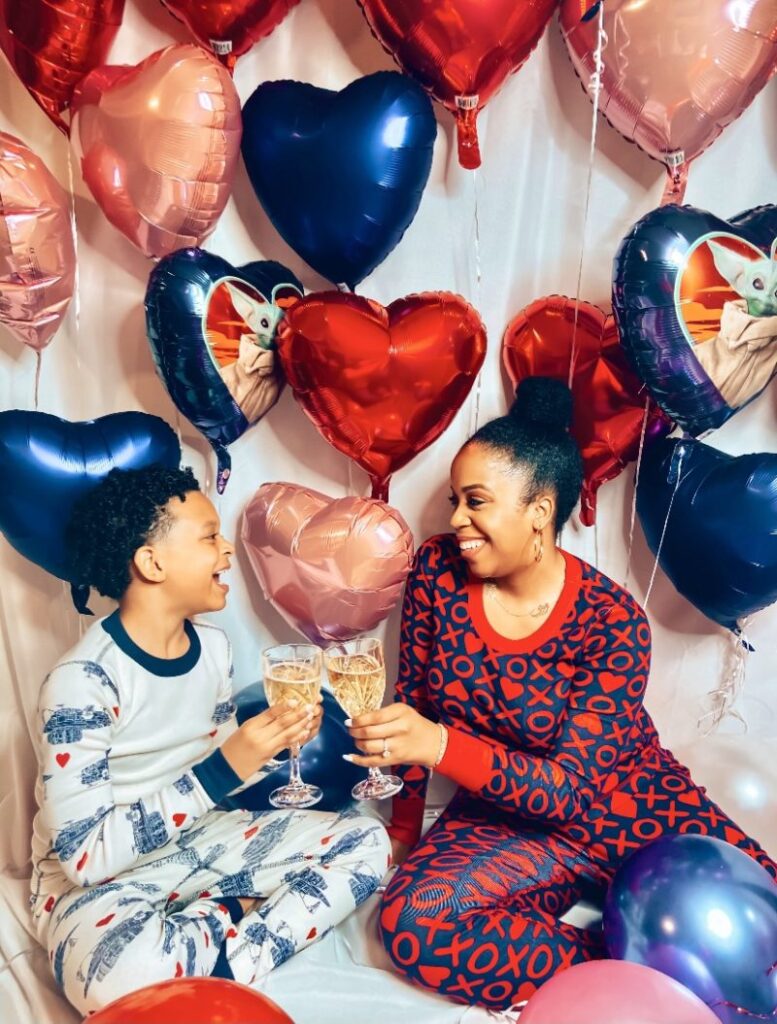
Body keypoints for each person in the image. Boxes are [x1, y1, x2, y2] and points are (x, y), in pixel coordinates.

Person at [345, 377, 776, 1012]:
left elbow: (570, 790)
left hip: (631, 805)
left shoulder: (613, 620)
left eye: (477, 502)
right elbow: (411, 697)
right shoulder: (436, 574)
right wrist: (404, 832)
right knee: (412, 926)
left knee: (761, 930)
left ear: (540, 510)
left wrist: (438, 744)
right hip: (505, 819)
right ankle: (632, 965)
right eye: (455, 500)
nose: (455, 519)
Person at [29, 466, 390, 1016]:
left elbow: (216, 778)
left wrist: (277, 748)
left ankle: (223, 960)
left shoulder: (214, 649)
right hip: (100, 885)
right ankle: (232, 916)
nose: (227, 553)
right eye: (208, 538)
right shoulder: (83, 682)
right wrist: (225, 766)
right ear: (152, 563)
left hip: (204, 844)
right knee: (118, 975)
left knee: (368, 843)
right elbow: (83, 858)